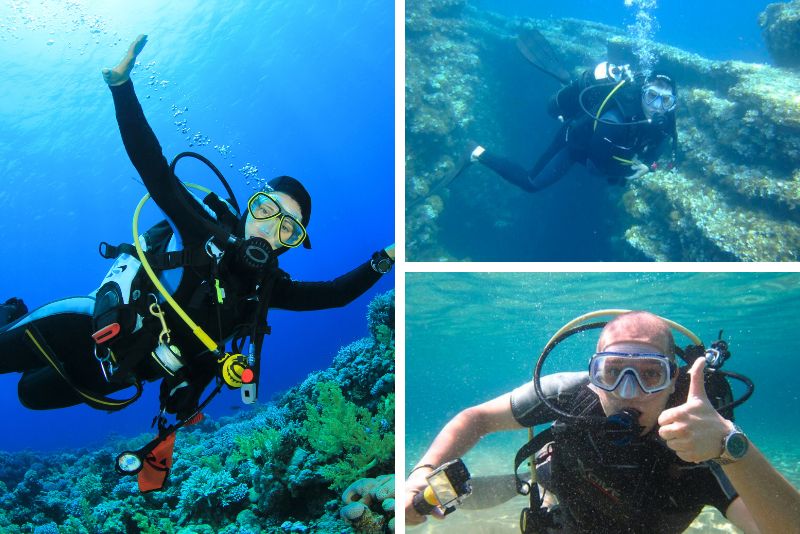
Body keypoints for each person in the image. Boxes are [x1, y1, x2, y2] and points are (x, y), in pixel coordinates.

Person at [0, 35, 394, 488]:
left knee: (30, 395)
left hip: (115, 375)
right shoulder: (203, 232)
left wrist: (385, 258)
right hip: (82, 324)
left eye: (288, 228)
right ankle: (12, 317)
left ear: (293, 242)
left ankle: (11, 314)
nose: (269, 230)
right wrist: (122, 88)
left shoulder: (266, 289)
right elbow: (153, 168)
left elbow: (335, 295)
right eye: (266, 210)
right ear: (250, 207)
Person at [405, 311, 800, 533]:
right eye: (612, 372)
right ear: (594, 375)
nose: (628, 392)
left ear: (673, 380)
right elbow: (475, 419)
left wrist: (731, 446)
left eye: (650, 374)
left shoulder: (702, 448)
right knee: (544, 481)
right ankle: (532, 484)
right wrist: (422, 472)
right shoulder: (568, 393)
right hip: (567, 503)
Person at [465, 61, 679, 192]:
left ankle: (570, 85)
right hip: (576, 145)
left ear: (672, 103)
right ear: (643, 92)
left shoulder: (666, 118)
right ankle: (476, 153)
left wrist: (648, 165)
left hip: (606, 150)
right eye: (651, 96)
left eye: (665, 100)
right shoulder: (614, 119)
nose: (656, 106)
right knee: (531, 183)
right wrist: (628, 171)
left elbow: (660, 149)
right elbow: (596, 164)